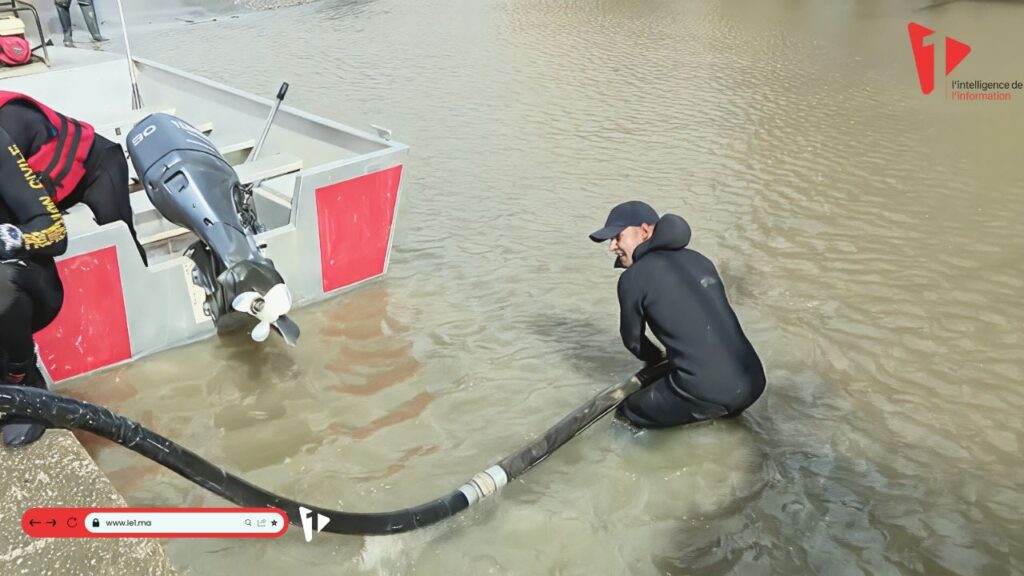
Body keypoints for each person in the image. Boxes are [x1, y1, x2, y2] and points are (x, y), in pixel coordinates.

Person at [0, 91, 142, 447]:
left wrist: (14, 239)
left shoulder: (7, 127)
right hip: (37, 184)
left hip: (95, 167)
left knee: (122, 233)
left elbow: (51, 227)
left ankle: (23, 378)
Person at [589, 200, 765, 428]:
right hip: (753, 383)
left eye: (617, 237)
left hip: (708, 392)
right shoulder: (701, 261)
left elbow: (633, 342)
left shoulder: (633, 278)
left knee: (627, 413)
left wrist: (656, 359)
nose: (612, 246)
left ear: (645, 231)